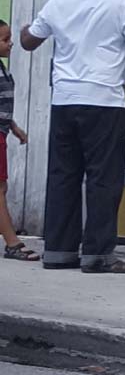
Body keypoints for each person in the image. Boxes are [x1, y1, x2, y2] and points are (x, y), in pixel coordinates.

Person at [20, 0, 125, 274]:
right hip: (104, 101)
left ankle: (58, 251)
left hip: (65, 100)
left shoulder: (59, 1)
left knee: (63, 175)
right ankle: (97, 255)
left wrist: (25, 29)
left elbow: (28, 42)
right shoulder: (121, 1)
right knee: (103, 178)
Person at [0, 20, 39, 262]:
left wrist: (14, 127)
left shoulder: (3, 69)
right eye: (5, 39)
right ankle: (12, 242)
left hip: (2, 134)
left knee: (2, 188)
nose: (11, 43)